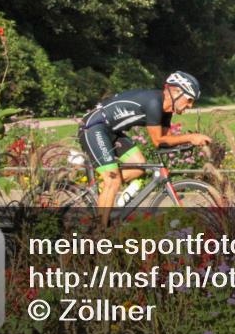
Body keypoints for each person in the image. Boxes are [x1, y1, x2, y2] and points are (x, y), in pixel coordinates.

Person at [77, 71, 212, 227]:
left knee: (138, 167)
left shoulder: (166, 111)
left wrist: (188, 144)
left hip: (112, 132)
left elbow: (166, 141)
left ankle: (104, 189)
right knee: (112, 181)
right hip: (93, 128)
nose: (190, 105)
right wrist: (191, 137)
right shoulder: (154, 103)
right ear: (176, 92)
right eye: (189, 100)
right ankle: (100, 234)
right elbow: (158, 140)